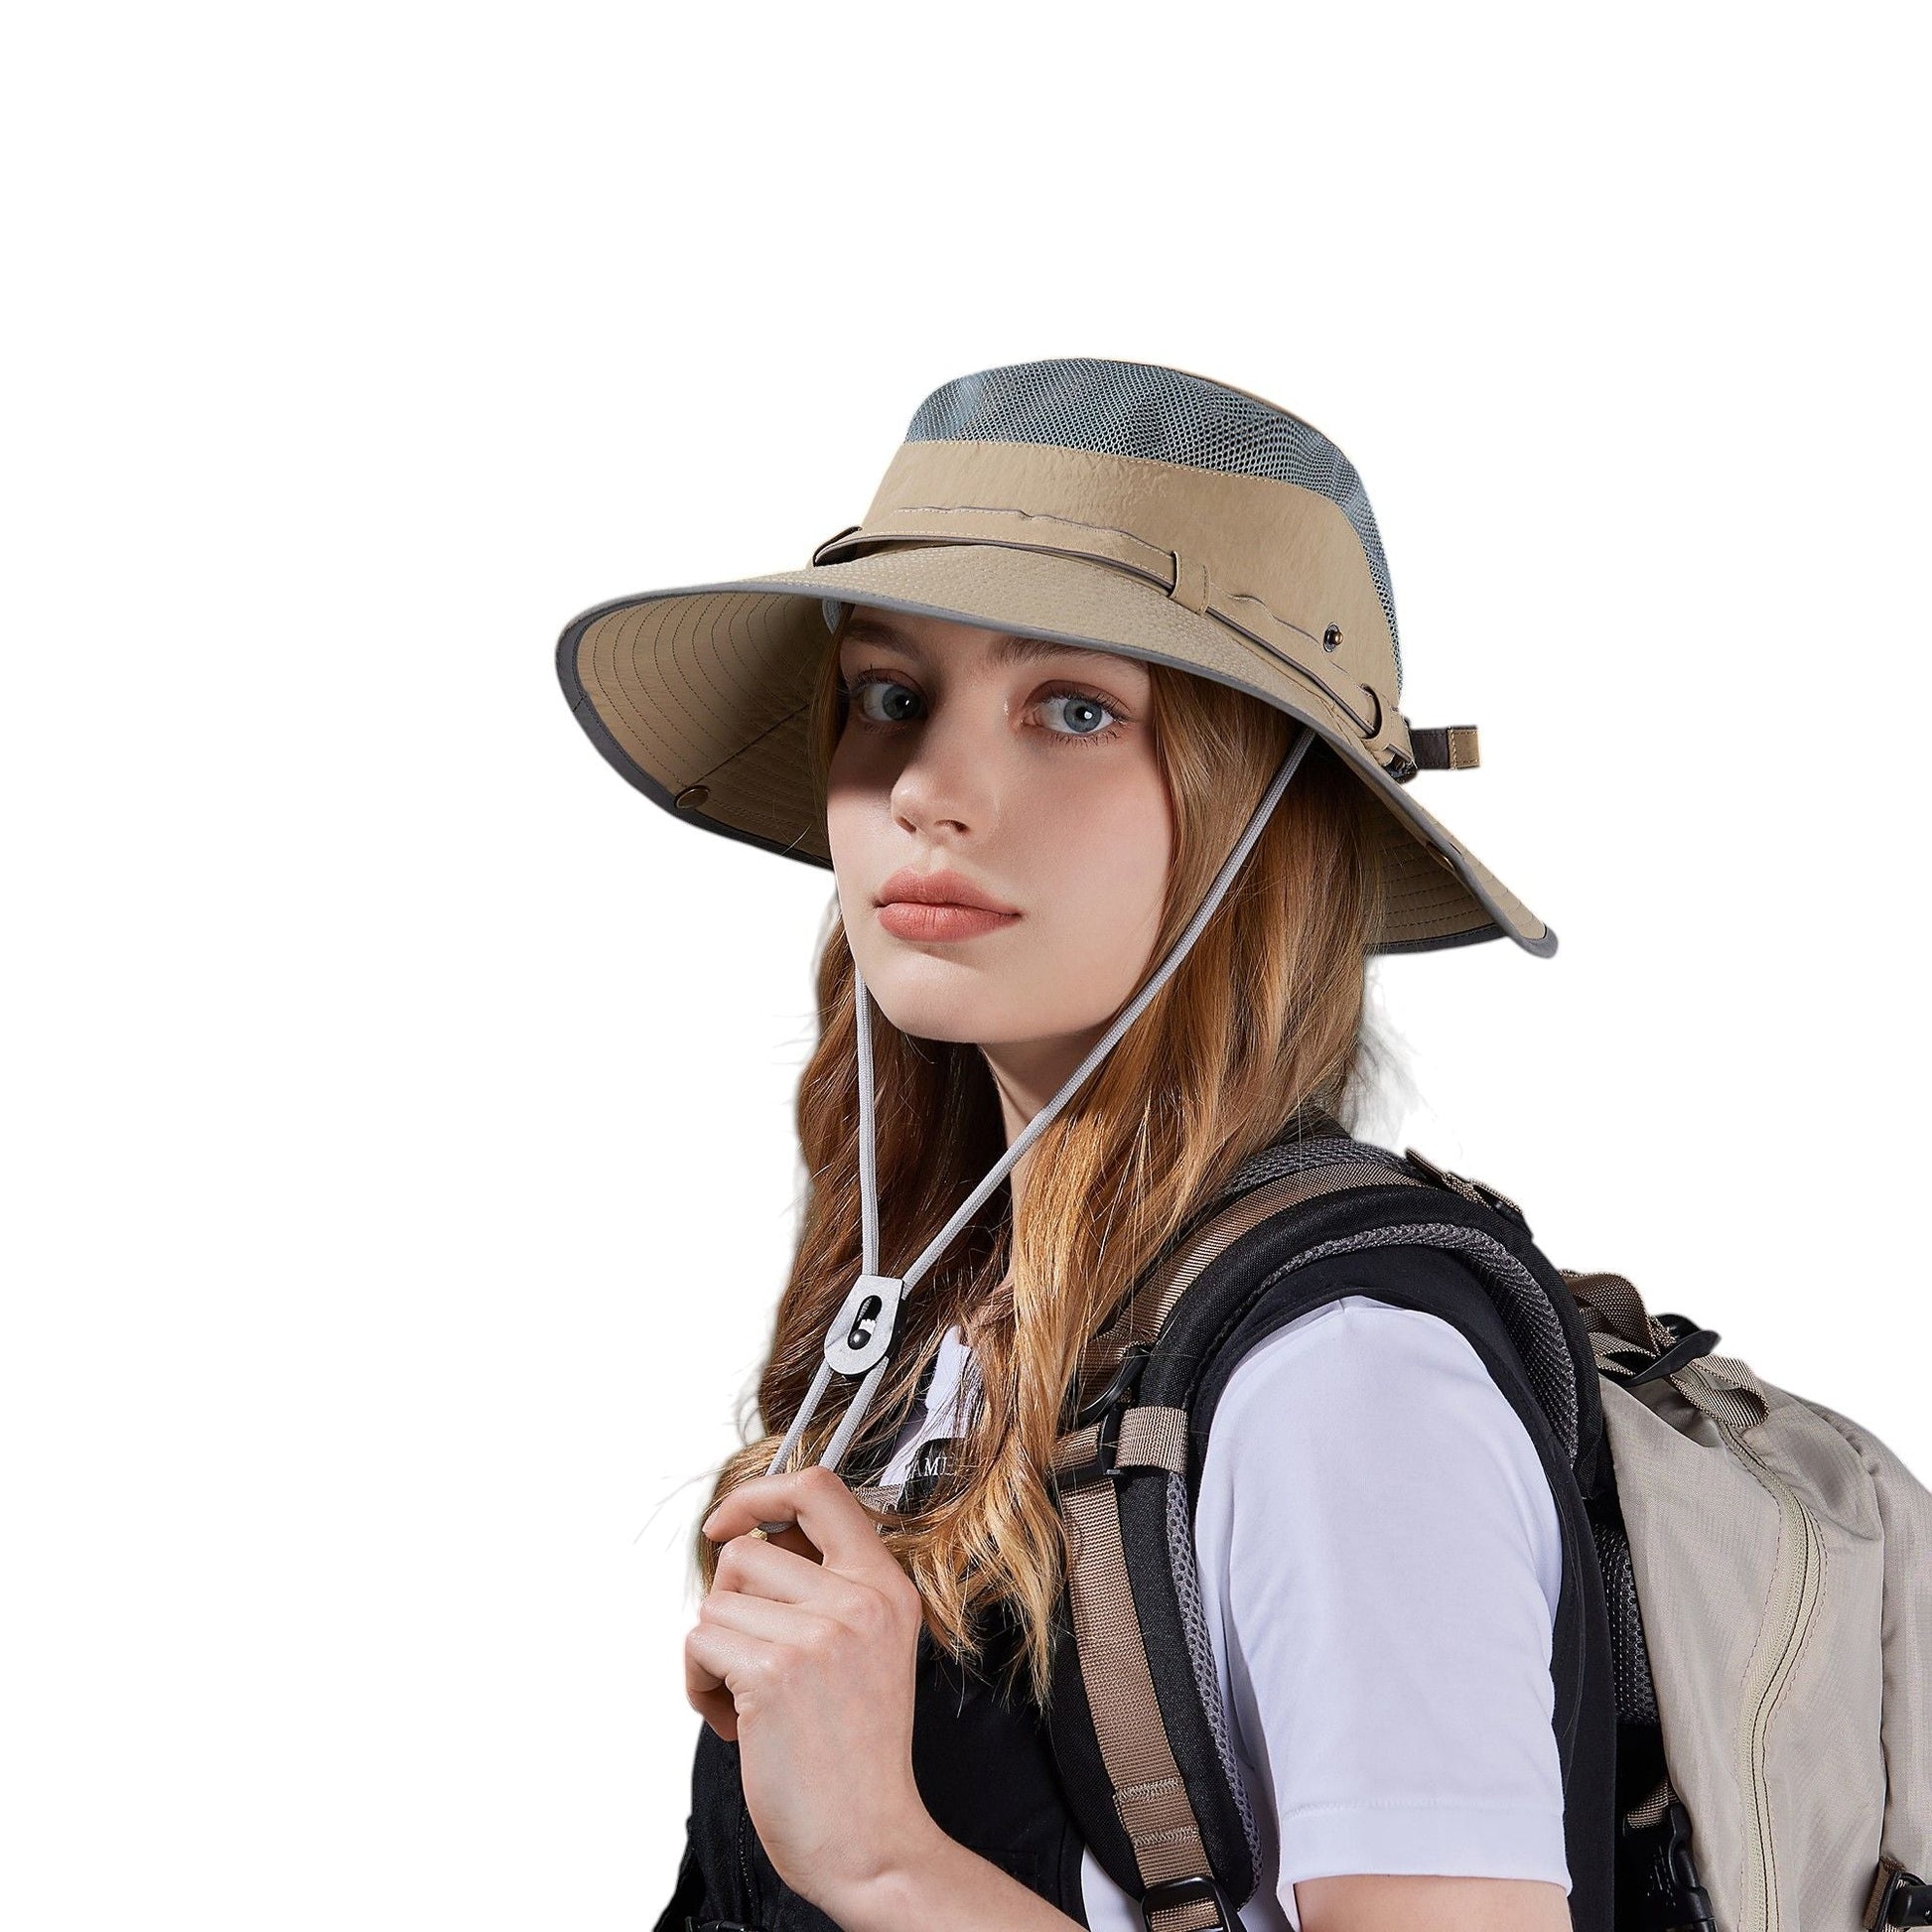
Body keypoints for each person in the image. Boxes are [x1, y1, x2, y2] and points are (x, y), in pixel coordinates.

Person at [554, 358, 1587, 1932]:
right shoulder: (941, 1324)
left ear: (1263, 814)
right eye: (891, 697)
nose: (925, 789)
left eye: (1076, 709)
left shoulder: (1342, 1381)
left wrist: (883, 1858)